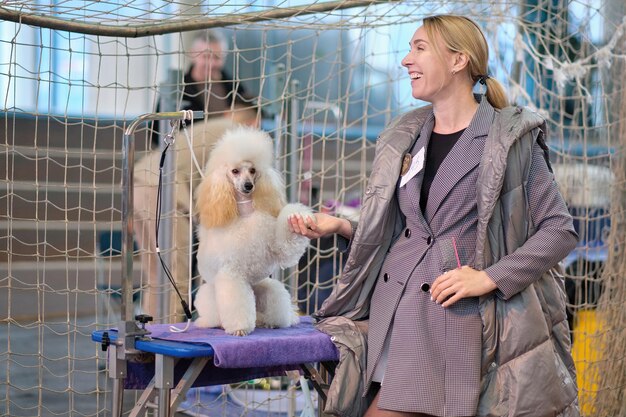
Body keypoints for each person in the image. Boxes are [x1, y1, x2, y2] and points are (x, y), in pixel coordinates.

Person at [288, 14, 580, 417]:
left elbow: (559, 231)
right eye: (409, 48)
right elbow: (411, 238)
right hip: (395, 310)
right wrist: (342, 227)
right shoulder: (407, 134)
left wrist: (489, 277)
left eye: (419, 48)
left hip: (450, 321)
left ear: (459, 60)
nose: (406, 60)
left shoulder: (509, 140)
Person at [134, 101, 259, 321]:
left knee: (156, 277)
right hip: (164, 188)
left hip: (140, 179)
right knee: (176, 278)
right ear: (253, 123)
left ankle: (149, 346)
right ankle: (168, 347)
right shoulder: (237, 136)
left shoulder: (207, 130)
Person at [151, 29, 249, 147]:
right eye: (206, 57)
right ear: (193, 54)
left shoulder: (234, 87)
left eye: (217, 57)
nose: (211, 64)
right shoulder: (177, 90)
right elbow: (156, 135)